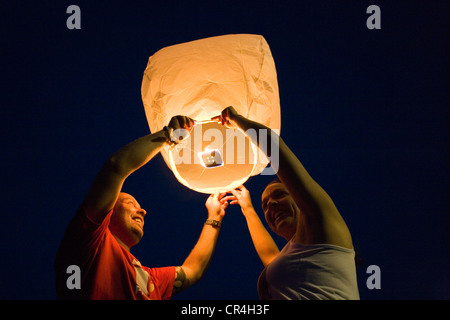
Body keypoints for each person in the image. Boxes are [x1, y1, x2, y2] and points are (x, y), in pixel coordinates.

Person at [55, 115, 229, 299]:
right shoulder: (87, 242)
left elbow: (193, 270)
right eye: (130, 203)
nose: (143, 211)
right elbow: (116, 166)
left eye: (139, 206)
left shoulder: (149, 280)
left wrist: (215, 216)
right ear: (108, 212)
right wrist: (168, 136)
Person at [214, 106, 360, 300]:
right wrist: (248, 209)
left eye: (279, 195)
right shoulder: (296, 257)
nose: (271, 206)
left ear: (299, 196)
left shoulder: (323, 224)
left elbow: (275, 149)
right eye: (265, 205)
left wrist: (236, 119)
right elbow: (269, 255)